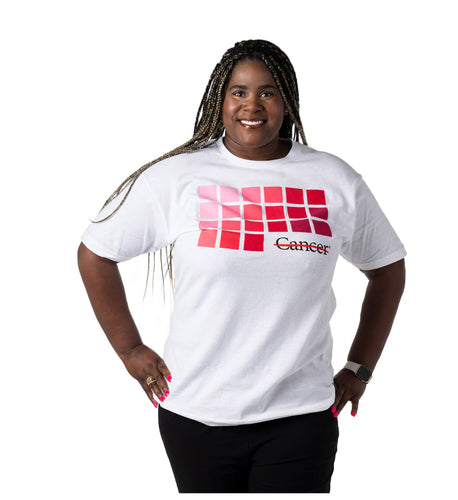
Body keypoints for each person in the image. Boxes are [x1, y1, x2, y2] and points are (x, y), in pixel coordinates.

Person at [77, 39, 406, 493]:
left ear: (286, 101)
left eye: (267, 92)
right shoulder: (178, 179)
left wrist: (360, 367)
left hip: (299, 416)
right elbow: (95, 252)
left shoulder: (334, 179)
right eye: (239, 92)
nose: (252, 105)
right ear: (221, 100)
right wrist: (130, 349)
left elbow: (387, 267)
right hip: (197, 414)